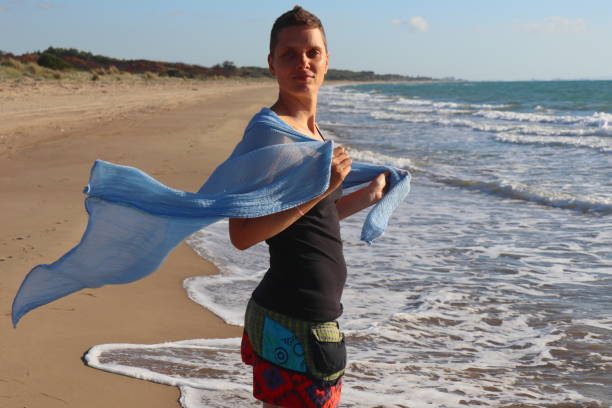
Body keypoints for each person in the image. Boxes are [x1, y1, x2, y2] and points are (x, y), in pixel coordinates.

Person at [229, 6, 389, 408]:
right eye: (289, 54)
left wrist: (362, 198)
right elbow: (241, 234)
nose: (303, 62)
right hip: (293, 319)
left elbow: (311, 222)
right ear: (272, 64)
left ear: (327, 60)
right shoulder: (270, 136)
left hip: (307, 317)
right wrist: (323, 188)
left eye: (312, 52)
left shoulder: (315, 135)